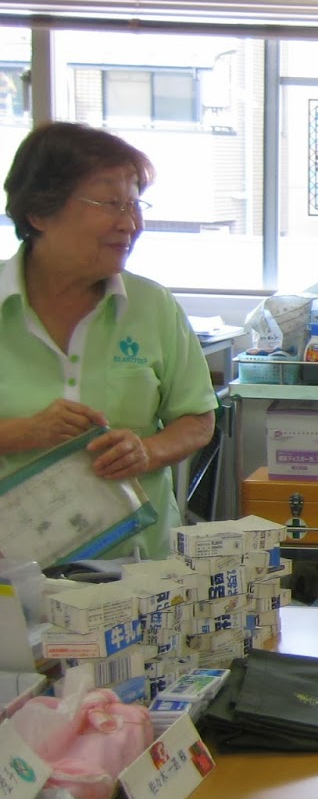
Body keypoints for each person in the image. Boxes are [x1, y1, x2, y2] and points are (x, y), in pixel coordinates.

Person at [0, 123, 218, 561]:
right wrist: (22, 433)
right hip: (13, 572)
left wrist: (146, 451)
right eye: (110, 204)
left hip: (141, 567)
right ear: (39, 213)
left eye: (134, 204)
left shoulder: (153, 306)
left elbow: (197, 420)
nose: (130, 224)